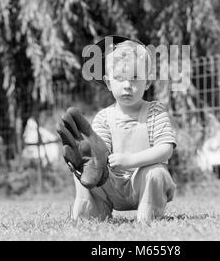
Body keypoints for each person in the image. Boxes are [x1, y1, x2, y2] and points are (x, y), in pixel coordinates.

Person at [58, 36, 177, 223]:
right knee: (86, 173)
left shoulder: (155, 111)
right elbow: (100, 153)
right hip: (111, 184)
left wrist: (130, 160)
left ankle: (149, 214)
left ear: (147, 82)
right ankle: (90, 213)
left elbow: (165, 150)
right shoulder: (104, 117)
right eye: (120, 78)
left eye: (136, 78)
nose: (128, 85)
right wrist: (85, 159)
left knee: (156, 172)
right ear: (108, 82)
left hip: (143, 184)